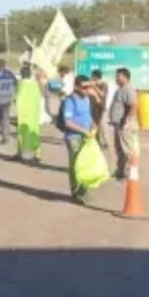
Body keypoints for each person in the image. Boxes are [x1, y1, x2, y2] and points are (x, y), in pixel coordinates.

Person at [61, 73, 98, 203]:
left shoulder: (86, 99)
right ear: (76, 87)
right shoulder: (70, 101)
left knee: (86, 164)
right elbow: (68, 122)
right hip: (74, 137)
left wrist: (93, 125)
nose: (87, 90)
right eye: (84, 88)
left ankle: (84, 190)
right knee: (76, 165)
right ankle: (76, 192)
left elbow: (88, 116)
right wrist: (84, 131)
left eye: (88, 87)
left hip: (86, 137)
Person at [109, 67, 140, 180]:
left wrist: (127, 120)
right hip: (119, 124)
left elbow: (133, 105)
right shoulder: (121, 89)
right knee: (120, 149)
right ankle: (120, 170)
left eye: (118, 76)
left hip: (125, 124)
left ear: (124, 77)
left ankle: (132, 172)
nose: (116, 79)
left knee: (128, 149)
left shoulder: (128, 89)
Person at [15, 65, 44, 162]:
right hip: (34, 112)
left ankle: (20, 153)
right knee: (35, 131)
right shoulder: (35, 84)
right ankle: (37, 154)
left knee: (21, 132)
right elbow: (41, 94)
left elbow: (16, 97)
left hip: (23, 113)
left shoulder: (20, 84)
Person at [0, 58, 18, 149]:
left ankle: (5, 136)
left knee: (1, 118)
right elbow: (15, 83)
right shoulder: (10, 74)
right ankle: (5, 136)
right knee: (5, 118)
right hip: (7, 98)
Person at [89, 69, 110, 148]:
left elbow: (102, 94)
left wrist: (94, 87)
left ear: (96, 77)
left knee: (103, 126)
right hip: (93, 108)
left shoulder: (104, 84)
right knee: (94, 125)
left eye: (93, 76)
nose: (92, 78)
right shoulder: (92, 84)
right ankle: (97, 141)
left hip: (101, 108)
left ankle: (106, 142)